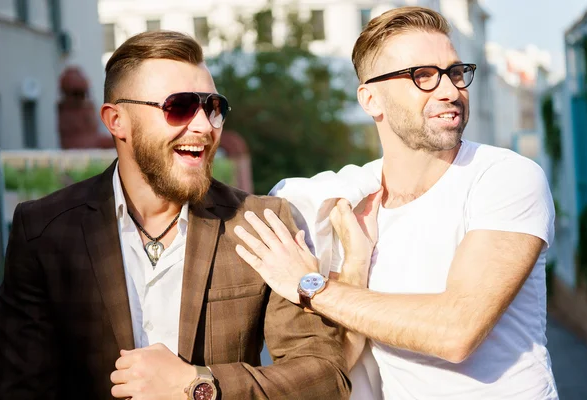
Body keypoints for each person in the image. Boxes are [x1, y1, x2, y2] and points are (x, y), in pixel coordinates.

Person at [0, 31, 350, 400]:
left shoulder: (258, 223)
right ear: (117, 120)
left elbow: (325, 378)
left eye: (213, 107)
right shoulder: (44, 232)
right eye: (179, 106)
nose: (203, 126)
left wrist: (201, 384)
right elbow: (21, 388)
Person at [234, 7, 559, 400]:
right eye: (422, 76)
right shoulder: (352, 203)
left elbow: (457, 331)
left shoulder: (504, 177)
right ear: (371, 99)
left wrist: (309, 286)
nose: (450, 90)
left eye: (455, 72)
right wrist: (355, 266)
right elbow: (342, 363)